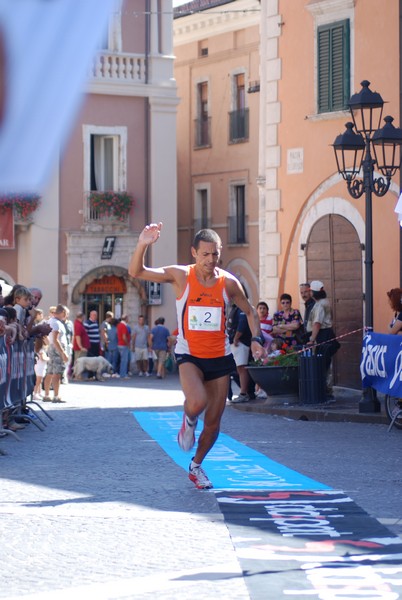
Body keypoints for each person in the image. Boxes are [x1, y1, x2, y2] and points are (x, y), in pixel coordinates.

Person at [128, 222, 265, 490]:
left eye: (215, 254)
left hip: (220, 356)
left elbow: (250, 311)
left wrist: (257, 340)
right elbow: (137, 271)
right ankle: (188, 421)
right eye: (205, 254)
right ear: (194, 253)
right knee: (198, 401)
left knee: (214, 423)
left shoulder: (228, 282)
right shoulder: (181, 276)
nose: (211, 260)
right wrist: (143, 243)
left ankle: (196, 466)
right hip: (189, 353)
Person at [306, 280, 340, 395]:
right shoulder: (324, 302)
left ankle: (325, 390)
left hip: (322, 335)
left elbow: (317, 323)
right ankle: (325, 389)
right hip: (325, 334)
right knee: (325, 362)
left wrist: (312, 339)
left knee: (322, 363)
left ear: (313, 292)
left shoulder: (320, 304)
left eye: (310, 291)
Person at [43, 304, 69, 403]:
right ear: (63, 312)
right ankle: (56, 396)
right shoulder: (56, 323)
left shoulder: (50, 321)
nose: (66, 315)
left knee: (50, 372)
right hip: (56, 349)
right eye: (66, 313)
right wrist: (63, 353)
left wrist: (47, 344)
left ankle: (46, 395)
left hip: (52, 347)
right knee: (57, 373)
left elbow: (46, 336)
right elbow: (55, 339)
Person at [33, 335, 49, 400]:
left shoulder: (39, 349)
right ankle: (35, 393)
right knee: (38, 380)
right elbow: (43, 358)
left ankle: (39, 392)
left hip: (40, 366)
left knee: (40, 380)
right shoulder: (41, 350)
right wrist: (49, 359)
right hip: (40, 367)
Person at [117, 314, 131, 378]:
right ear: (126, 319)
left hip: (119, 344)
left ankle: (122, 373)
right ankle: (123, 374)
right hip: (123, 344)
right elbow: (124, 336)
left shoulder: (119, 325)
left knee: (122, 360)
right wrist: (127, 343)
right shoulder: (123, 326)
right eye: (128, 318)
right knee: (124, 360)